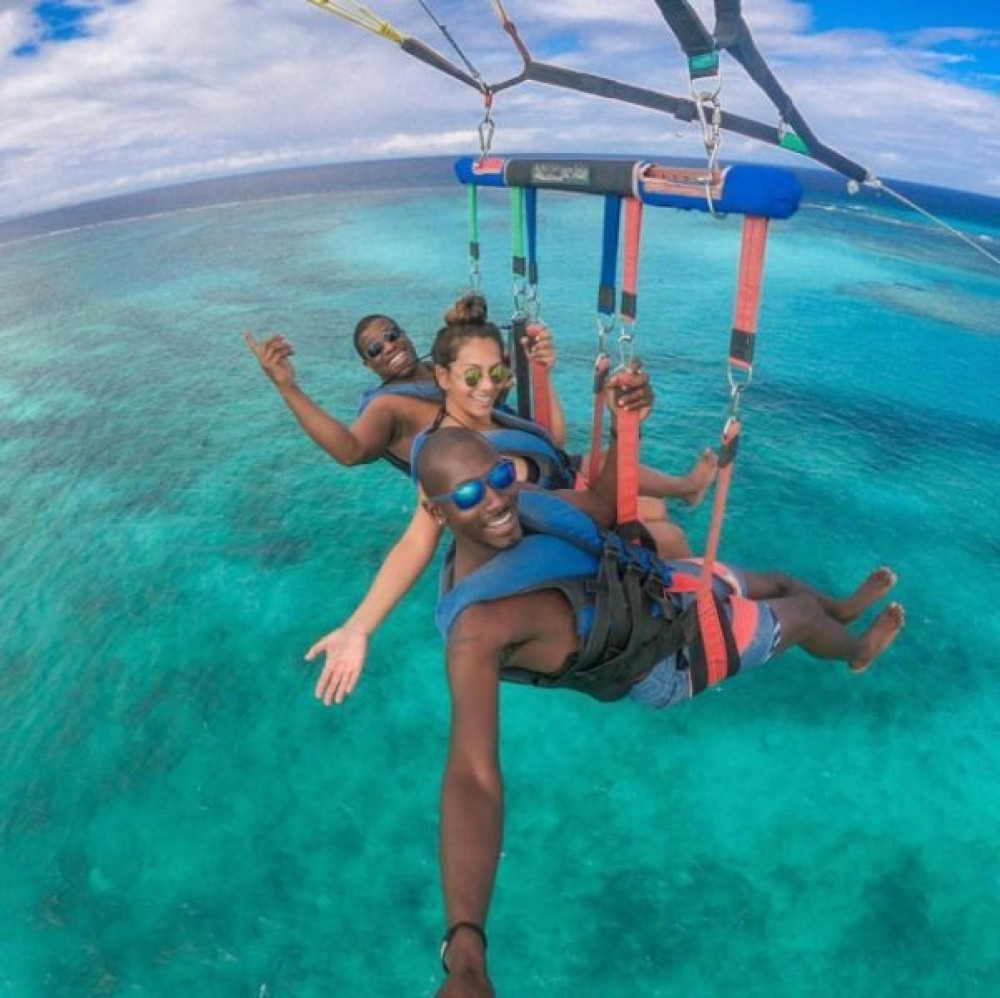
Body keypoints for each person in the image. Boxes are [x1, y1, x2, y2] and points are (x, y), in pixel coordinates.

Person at [308, 422, 904, 996]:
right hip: (675, 657)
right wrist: (466, 950)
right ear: (438, 514)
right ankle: (856, 650)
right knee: (797, 619)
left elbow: (596, 502)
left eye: (498, 475)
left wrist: (624, 426)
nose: (493, 499)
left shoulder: (527, 505)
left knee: (775, 581)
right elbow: (472, 778)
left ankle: (845, 609)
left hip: (661, 588)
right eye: (468, 494)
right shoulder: (477, 632)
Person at [304, 297, 715, 706]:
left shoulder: (486, 410)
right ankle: (691, 631)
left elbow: (550, 440)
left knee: (656, 515)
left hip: (566, 497)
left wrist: (543, 372)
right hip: (549, 529)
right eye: (472, 377)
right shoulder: (452, 454)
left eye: (495, 373)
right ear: (445, 379)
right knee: (669, 537)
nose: (487, 385)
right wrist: (359, 627)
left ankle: (687, 531)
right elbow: (415, 538)